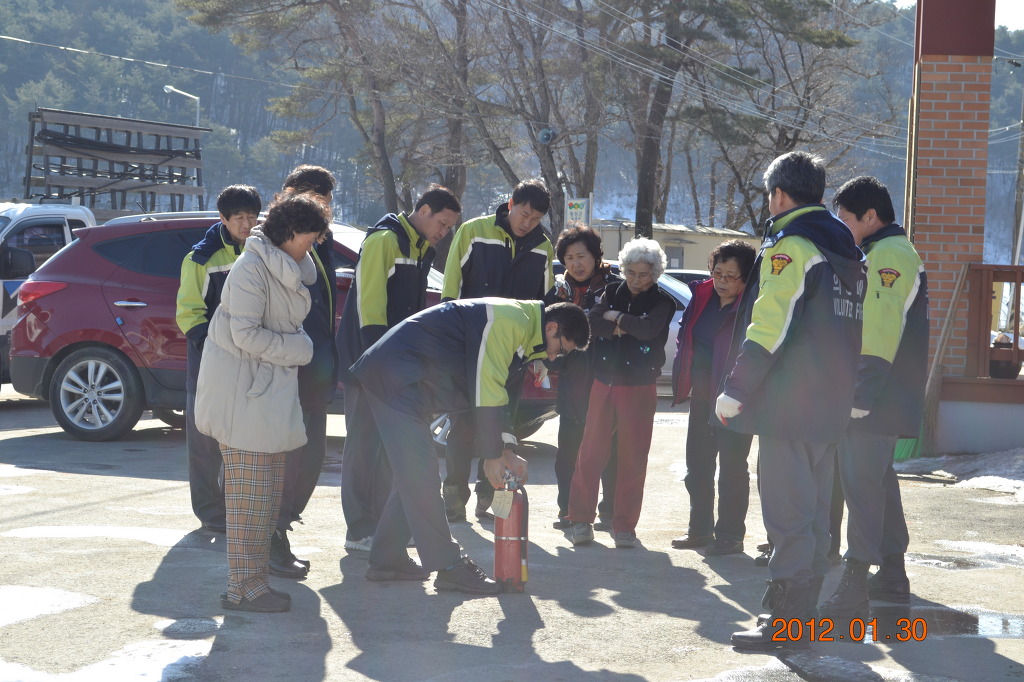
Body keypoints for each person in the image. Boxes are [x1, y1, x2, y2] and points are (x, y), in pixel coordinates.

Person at [720, 152, 865, 650]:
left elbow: (770, 325)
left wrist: (737, 387)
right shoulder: (848, 251)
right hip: (830, 404)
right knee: (815, 515)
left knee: (787, 515)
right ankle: (801, 620)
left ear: (779, 194)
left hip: (789, 403)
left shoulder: (793, 246)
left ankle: (786, 625)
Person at [349, 299, 590, 595]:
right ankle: (449, 567)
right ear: (551, 328)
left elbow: (500, 393)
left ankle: (387, 560)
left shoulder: (524, 333)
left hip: (406, 382)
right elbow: (485, 386)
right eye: (560, 349)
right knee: (421, 474)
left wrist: (507, 449)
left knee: (413, 476)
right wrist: (491, 456)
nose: (554, 357)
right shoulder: (509, 322)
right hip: (395, 380)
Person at [194, 193, 331, 613]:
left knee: (265, 501)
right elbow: (246, 336)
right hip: (243, 397)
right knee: (248, 504)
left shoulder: (283, 266)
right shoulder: (251, 268)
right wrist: (301, 349)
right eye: (310, 238)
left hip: (263, 395)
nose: (314, 246)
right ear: (289, 233)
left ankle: (254, 584)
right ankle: (242, 590)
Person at [818, 176, 927, 620]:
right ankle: (892, 575)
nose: (841, 225)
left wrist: (860, 395)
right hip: (885, 394)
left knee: (861, 488)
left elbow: (880, 330)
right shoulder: (885, 251)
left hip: (876, 396)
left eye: (845, 218)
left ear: (870, 216)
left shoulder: (889, 255)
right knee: (879, 485)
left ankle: (855, 583)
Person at [338, 185, 463, 553]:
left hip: (397, 365)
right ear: (423, 211)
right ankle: (358, 529)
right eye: (441, 224)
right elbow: (370, 307)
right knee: (363, 447)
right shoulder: (385, 240)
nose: (443, 233)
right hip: (370, 361)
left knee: (388, 450)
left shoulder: (420, 247)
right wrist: (378, 363)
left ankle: (384, 528)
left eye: (448, 228)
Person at [440, 178, 555, 523]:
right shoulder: (474, 231)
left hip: (513, 354)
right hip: (468, 349)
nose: (527, 223)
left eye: (536, 219)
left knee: (504, 427)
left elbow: (543, 305)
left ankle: (487, 499)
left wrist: (537, 355)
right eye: (524, 214)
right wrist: (450, 342)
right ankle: (453, 498)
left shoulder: (543, 247)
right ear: (510, 205)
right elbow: (451, 289)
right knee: (463, 425)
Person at [568, 237, 674, 549]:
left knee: (633, 458)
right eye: (630, 272)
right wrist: (625, 324)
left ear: (655, 274)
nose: (636, 280)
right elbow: (591, 322)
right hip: (604, 381)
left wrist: (614, 318)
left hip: (640, 385)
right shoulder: (611, 291)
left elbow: (648, 330)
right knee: (590, 453)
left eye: (643, 274)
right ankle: (580, 519)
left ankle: (624, 526)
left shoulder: (663, 302)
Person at [176, 185, 262, 534]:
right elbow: (188, 313)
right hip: (209, 363)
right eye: (238, 218)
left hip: (253, 362)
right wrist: (212, 346)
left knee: (245, 440)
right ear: (223, 219)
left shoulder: (263, 251)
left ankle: (237, 506)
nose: (246, 224)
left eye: (251, 216)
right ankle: (210, 512)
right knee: (205, 443)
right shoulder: (200, 258)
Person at [269, 165, 339, 580]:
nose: (324, 213)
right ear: (291, 194)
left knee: (310, 459)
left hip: (315, 370)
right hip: (288, 371)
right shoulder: (273, 246)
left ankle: (281, 528)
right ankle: (271, 538)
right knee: (287, 461)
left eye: (327, 204)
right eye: (318, 202)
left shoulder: (318, 244)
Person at [670, 240, 757, 556]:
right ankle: (700, 530)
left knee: (732, 469)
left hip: (734, 399)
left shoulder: (752, 307)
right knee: (698, 466)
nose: (721, 281)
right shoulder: (703, 296)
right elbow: (686, 336)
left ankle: (731, 536)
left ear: (746, 278)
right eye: (717, 273)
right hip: (702, 396)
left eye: (730, 276)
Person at [547, 225, 620, 530]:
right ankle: (568, 509)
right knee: (569, 453)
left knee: (611, 452)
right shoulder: (559, 292)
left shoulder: (615, 288)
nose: (576, 264)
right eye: (569, 258)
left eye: (581, 256)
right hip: (573, 382)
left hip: (609, 379)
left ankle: (610, 512)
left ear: (595, 256)